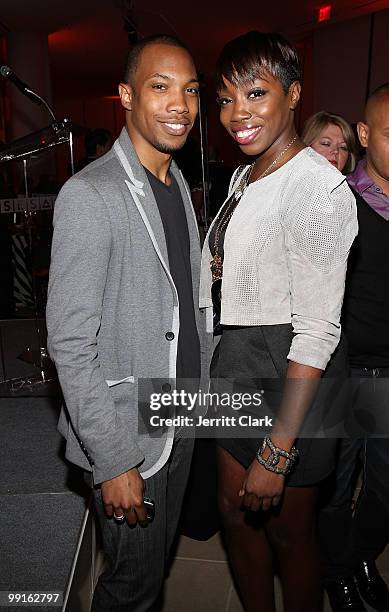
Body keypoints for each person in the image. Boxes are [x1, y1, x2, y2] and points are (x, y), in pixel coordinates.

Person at [46, 34, 211, 611]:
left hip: (182, 413)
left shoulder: (175, 185)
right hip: (127, 433)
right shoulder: (90, 195)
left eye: (190, 90)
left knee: (152, 568)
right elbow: (69, 343)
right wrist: (113, 459)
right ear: (125, 96)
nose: (180, 105)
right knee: (131, 589)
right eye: (160, 87)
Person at [199, 31, 358, 612]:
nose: (237, 114)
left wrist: (277, 451)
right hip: (239, 360)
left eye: (256, 93)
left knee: (293, 534)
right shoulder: (249, 172)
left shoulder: (318, 188)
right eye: (225, 98)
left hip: (296, 374)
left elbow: (317, 330)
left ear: (293, 96)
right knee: (234, 515)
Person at [320, 84, 389, 612]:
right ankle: (339, 572)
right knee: (334, 490)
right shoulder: (335, 203)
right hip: (343, 370)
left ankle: (363, 555)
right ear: (364, 135)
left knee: (385, 490)